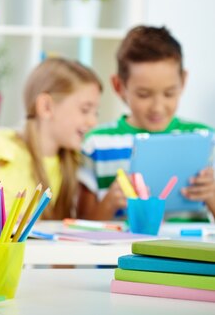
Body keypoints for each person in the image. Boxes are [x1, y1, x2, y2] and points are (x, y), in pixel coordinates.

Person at [0, 57, 102, 220]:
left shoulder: (70, 162)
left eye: (96, 113)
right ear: (46, 106)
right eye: (85, 110)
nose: (93, 121)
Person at [77, 25, 215, 220]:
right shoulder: (96, 143)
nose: (157, 107)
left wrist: (212, 196)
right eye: (144, 95)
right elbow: (81, 224)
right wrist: (109, 202)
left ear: (183, 81)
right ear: (119, 86)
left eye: (169, 93)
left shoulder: (206, 141)